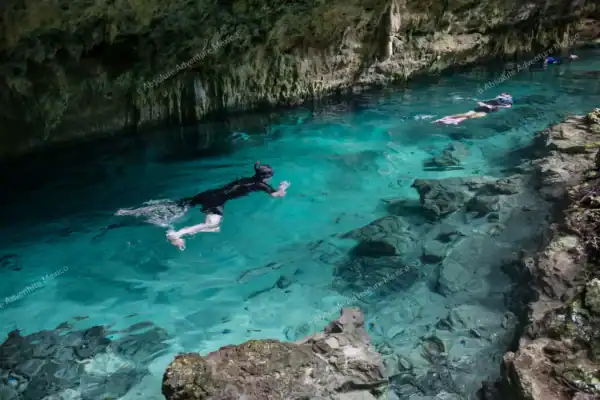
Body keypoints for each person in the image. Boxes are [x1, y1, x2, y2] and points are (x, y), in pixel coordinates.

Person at [166, 162, 290, 249]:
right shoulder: (261, 184)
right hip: (216, 201)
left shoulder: (246, 179)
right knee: (212, 224)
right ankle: (177, 234)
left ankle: (171, 222)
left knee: (212, 227)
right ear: (266, 177)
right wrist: (283, 187)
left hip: (208, 193)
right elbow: (276, 195)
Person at [433, 93, 513, 125]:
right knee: (467, 115)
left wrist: (493, 107)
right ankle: (450, 118)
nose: (509, 102)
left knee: (469, 116)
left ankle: (453, 120)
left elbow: (504, 107)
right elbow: (480, 102)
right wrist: (485, 105)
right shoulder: (493, 100)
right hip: (482, 109)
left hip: (487, 111)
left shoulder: (506, 105)